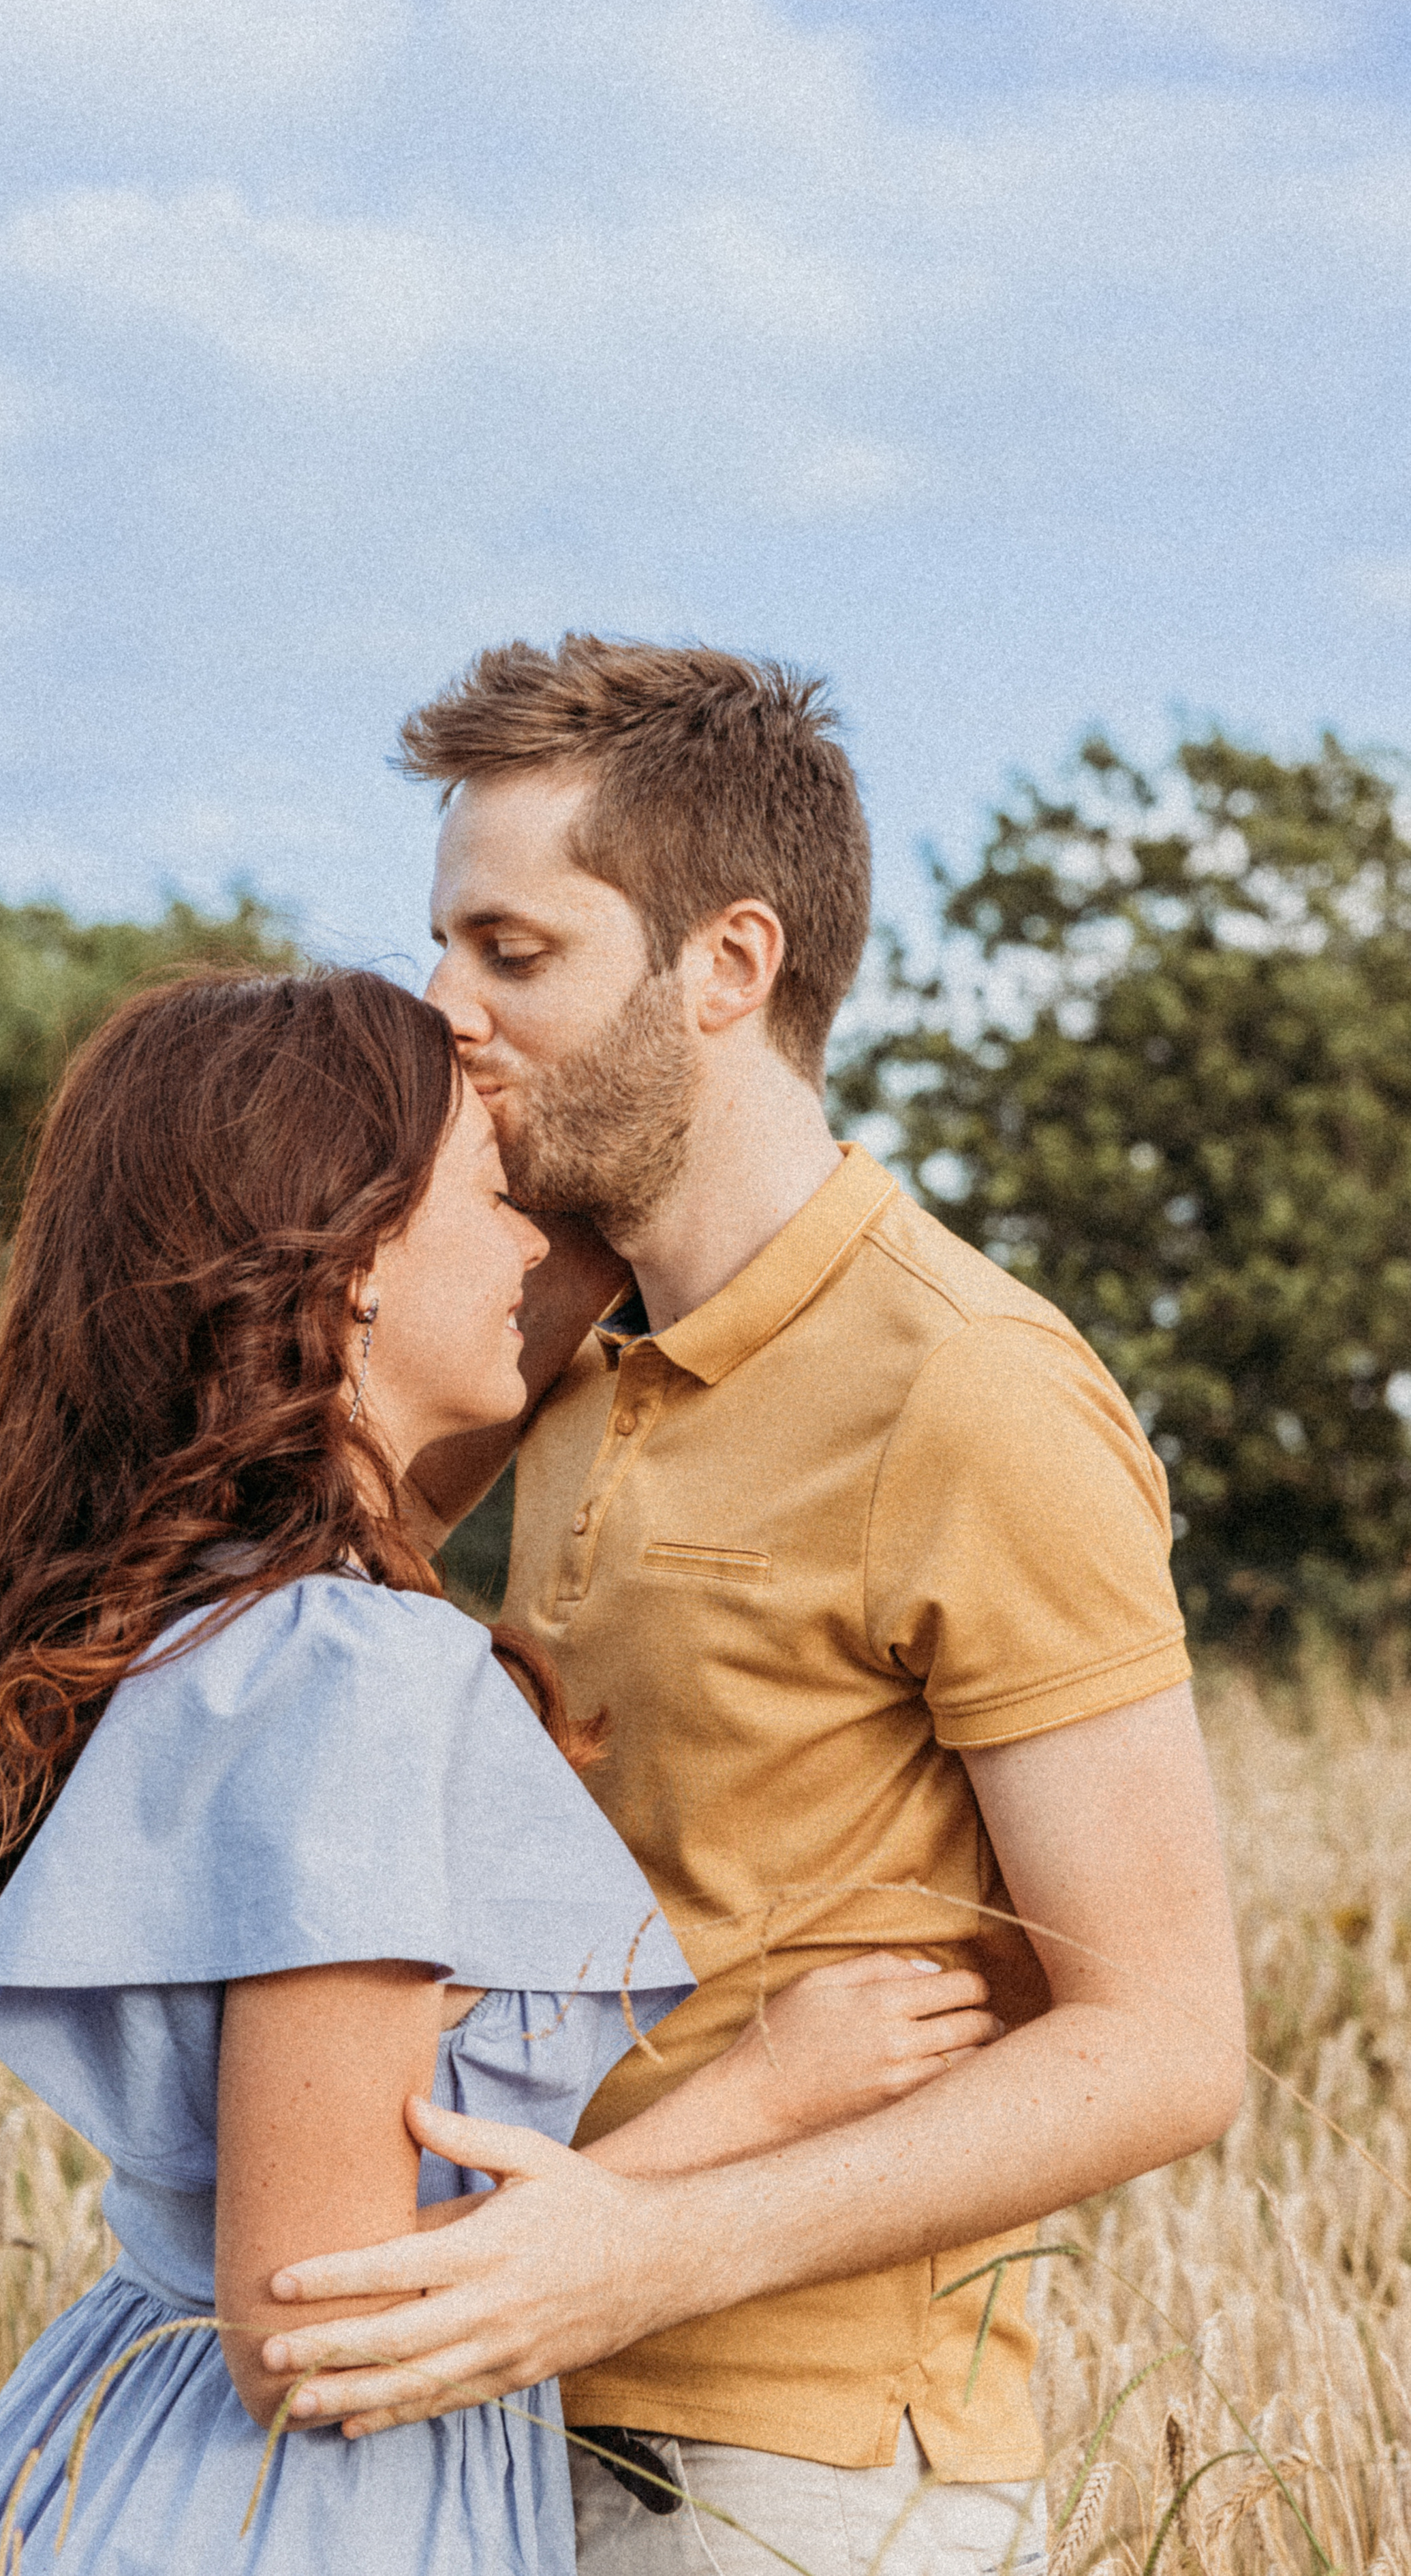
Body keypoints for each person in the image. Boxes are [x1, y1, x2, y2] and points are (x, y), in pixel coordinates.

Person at [251, 641, 1248, 2576]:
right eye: (444, 947)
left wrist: (637, 2249)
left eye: (512, 953)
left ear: (727, 964)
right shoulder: (537, 1346)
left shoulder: (969, 1387)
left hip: (785, 2479)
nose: (444, 1010)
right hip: (489, 2402)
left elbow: (1166, 2042)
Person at [0, 966, 999, 2576]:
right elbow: (308, 2329)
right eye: (493, 1196)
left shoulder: (221, 1621)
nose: (539, 1251)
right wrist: (767, 2098)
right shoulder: (353, 1675)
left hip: (128, 2461)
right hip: (291, 2515)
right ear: (348, 1274)